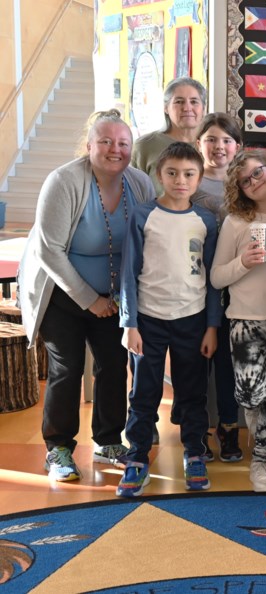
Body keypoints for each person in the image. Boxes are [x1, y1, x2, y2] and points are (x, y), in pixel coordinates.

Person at [19, 109, 155, 481]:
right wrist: (89, 300)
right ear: (89, 145)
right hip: (62, 293)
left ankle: (109, 441)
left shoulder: (140, 183)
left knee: (113, 366)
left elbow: (151, 236)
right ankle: (59, 448)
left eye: (123, 143)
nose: (115, 150)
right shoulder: (63, 181)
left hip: (113, 297)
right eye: (106, 142)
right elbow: (49, 251)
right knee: (68, 368)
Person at [116, 142, 222, 497]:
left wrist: (211, 326)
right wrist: (129, 324)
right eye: (172, 173)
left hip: (192, 320)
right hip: (148, 320)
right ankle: (137, 457)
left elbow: (211, 280)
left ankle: (194, 452)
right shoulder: (144, 216)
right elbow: (129, 273)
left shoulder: (206, 221)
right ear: (159, 175)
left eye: (189, 174)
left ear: (199, 178)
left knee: (192, 393)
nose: (180, 180)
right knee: (143, 393)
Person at [210, 150, 266, 491]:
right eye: (245, 180)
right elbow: (217, 277)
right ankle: (261, 444)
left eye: (257, 172)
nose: (254, 181)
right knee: (250, 396)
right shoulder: (238, 221)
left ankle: (261, 460)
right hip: (245, 322)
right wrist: (243, 263)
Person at [192, 112, 244, 463]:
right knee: (194, 364)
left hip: (234, 289)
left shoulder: (245, 185)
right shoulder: (188, 182)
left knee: (227, 363)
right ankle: (194, 432)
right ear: (199, 144)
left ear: (237, 146)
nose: (219, 146)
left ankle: (228, 427)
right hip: (193, 288)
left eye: (226, 140)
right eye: (211, 139)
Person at [132, 77, 207, 195]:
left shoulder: (213, 146)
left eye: (194, 101)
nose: (187, 108)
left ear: (204, 108)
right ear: (166, 108)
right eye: (179, 101)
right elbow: (133, 192)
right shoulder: (145, 146)